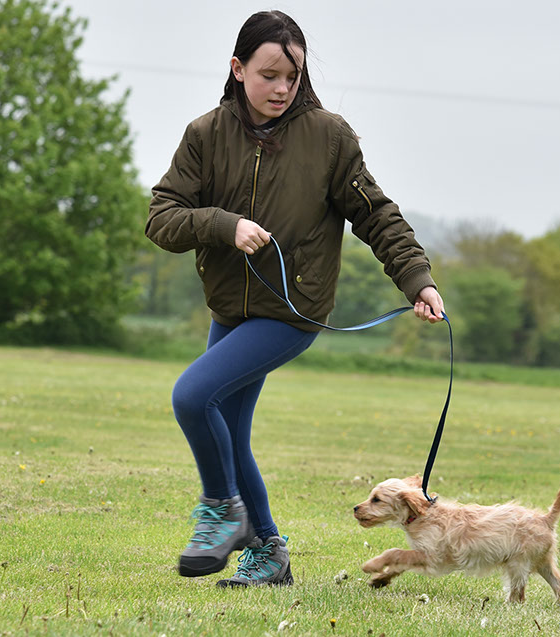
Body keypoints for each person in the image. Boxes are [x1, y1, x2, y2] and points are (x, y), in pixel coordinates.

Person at [145, 9, 445, 588]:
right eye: (269, 74)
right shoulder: (205, 134)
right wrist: (222, 224)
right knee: (227, 426)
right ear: (237, 69)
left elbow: (376, 216)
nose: (283, 88)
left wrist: (418, 280)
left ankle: (221, 513)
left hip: (292, 310)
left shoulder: (328, 137)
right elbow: (162, 218)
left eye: (294, 75)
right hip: (231, 310)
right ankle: (270, 554)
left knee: (191, 396)